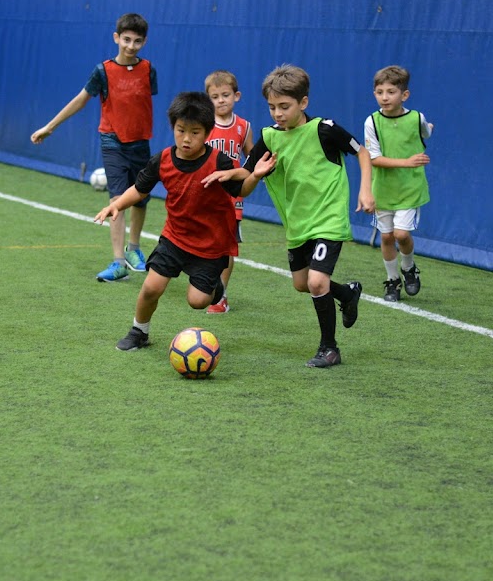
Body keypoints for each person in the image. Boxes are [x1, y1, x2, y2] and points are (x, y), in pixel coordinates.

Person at [205, 65, 374, 368]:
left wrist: (365, 190)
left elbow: (362, 153)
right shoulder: (270, 137)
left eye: (285, 106)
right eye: (272, 107)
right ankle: (347, 293)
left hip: (328, 219)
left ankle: (329, 348)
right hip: (298, 224)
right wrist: (226, 173)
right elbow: (248, 169)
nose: (277, 113)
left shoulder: (326, 129)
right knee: (302, 283)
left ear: (303, 103)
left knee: (317, 281)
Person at [94, 91, 272, 352]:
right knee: (151, 288)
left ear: (207, 132)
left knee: (198, 301)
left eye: (195, 132)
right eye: (181, 130)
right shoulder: (163, 159)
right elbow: (140, 188)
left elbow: (241, 190)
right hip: (175, 238)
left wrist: (255, 176)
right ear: (173, 128)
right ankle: (139, 331)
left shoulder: (218, 161)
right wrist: (116, 205)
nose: (187, 138)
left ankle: (216, 289)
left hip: (211, 245)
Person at [30, 13, 156, 283]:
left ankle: (133, 248)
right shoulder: (103, 71)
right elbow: (80, 100)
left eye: (137, 41)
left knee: (140, 198)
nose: (130, 45)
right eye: (126, 39)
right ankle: (118, 262)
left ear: (144, 42)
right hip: (112, 141)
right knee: (117, 201)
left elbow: (143, 105)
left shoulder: (148, 70)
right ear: (116, 38)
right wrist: (49, 127)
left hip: (141, 143)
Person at [364, 65, 433, 302]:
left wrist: (428, 130)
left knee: (402, 234)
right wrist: (407, 161)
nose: (384, 97)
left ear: (404, 95)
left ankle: (409, 268)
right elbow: (374, 159)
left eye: (391, 91)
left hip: (409, 190)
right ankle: (392, 281)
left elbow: (425, 133)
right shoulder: (372, 122)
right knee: (386, 237)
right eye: (379, 92)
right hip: (383, 191)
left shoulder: (417, 118)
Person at [204, 70, 254, 314]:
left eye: (226, 95)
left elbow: (252, 161)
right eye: (215, 96)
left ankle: (220, 295)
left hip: (232, 197)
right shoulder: (202, 126)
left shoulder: (244, 127)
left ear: (237, 96)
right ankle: (205, 284)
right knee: (203, 242)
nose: (221, 100)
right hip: (205, 195)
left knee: (227, 247)